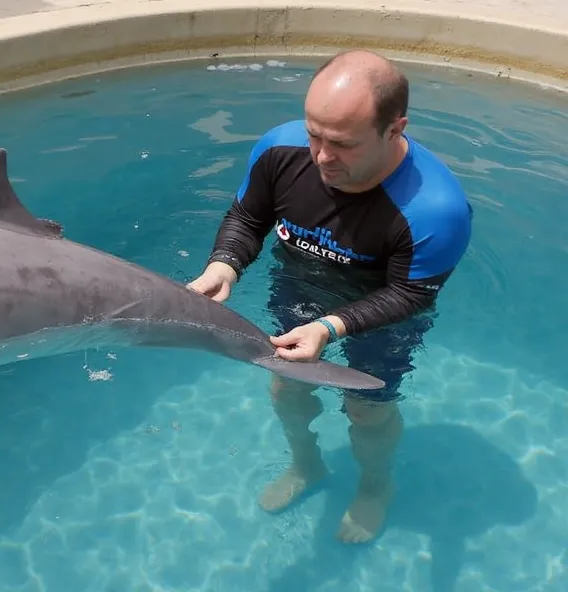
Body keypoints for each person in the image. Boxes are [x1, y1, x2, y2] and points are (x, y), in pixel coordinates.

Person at [187, 49, 473, 543]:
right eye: (313, 133)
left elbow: (410, 294)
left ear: (394, 129)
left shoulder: (436, 210)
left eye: (341, 144)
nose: (321, 156)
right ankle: (307, 465)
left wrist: (329, 327)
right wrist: (226, 261)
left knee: (367, 409)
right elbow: (249, 217)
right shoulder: (280, 149)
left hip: (384, 310)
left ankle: (375, 486)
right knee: (286, 386)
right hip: (300, 282)